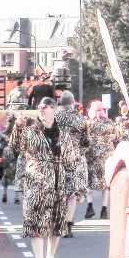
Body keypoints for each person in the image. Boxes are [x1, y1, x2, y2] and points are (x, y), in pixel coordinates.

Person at [23, 98, 65, 258]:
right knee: (36, 224)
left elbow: (72, 157)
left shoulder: (62, 133)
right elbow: (15, 146)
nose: (41, 109)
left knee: (55, 225)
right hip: (37, 183)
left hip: (58, 183)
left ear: (53, 110)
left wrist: (75, 185)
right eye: (39, 106)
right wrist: (17, 127)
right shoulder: (30, 131)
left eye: (45, 106)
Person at [54, 90, 89, 238]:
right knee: (72, 193)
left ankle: (58, 222)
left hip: (57, 157)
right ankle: (68, 225)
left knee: (58, 192)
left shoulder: (55, 117)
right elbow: (86, 141)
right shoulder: (80, 119)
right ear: (73, 102)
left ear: (60, 102)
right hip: (75, 159)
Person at [84, 100, 120, 220]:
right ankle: (104, 209)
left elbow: (84, 138)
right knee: (105, 182)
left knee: (90, 181)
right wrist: (112, 138)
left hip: (92, 156)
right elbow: (118, 136)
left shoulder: (88, 123)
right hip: (106, 156)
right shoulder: (109, 122)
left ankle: (90, 206)